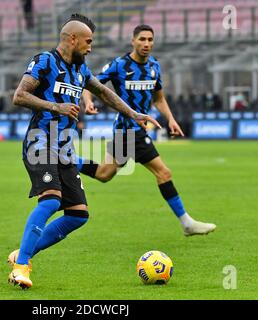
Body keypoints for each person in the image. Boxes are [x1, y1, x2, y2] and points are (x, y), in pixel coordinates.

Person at [7, 14, 161, 289]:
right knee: (51, 201)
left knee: (78, 215)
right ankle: (21, 267)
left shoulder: (80, 70)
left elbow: (103, 92)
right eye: (88, 42)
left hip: (64, 149)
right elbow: (19, 96)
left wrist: (133, 113)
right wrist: (56, 107)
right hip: (40, 143)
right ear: (72, 39)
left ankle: (23, 252)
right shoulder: (44, 61)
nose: (91, 48)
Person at [78, 25, 216, 237]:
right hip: (128, 131)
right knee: (164, 173)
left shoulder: (154, 66)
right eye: (142, 39)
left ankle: (67, 159)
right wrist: (87, 102)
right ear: (133, 41)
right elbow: (90, 84)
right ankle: (187, 223)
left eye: (150, 39)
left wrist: (170, 119)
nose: (147, 44)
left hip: (132, 133)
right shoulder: (120, 65)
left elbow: (159, 98)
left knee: (104, 174)